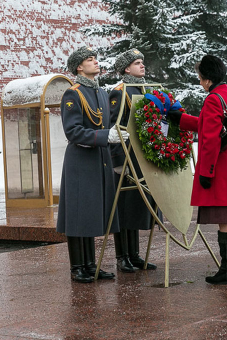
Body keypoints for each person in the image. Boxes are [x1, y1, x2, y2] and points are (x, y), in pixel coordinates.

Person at [167, 55, 227, 285]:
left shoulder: (213, 99)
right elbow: (208, 124)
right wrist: (182, 119)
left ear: (207, 79)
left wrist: (206, 171)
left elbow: (211, 138)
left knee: (225, 220)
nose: (200, 82)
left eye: (200, 78)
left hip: (220, 169)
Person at [56, 46, 129, 283]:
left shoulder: (100, 92)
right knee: (79, 214)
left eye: (96, 59)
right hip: (81, 160)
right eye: (90, 60)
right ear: (79, 67)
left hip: (99, 159)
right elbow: (73, 131)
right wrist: (104, 136)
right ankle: (78, 266)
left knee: (90, 213)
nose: (96, 63)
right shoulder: (73, 94)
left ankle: (90, 265)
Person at [109, 48, 158, 273]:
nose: (142, 65)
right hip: (127, 158)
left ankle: (135, 254)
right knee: (124, 207)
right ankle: (122, 256)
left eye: (142, 62)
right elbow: (115, 127)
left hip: (142, 157)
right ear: (126, 69)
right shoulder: (120, 92)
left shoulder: (144, 89)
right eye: (137, 63)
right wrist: (119, 160)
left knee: (137, 205)